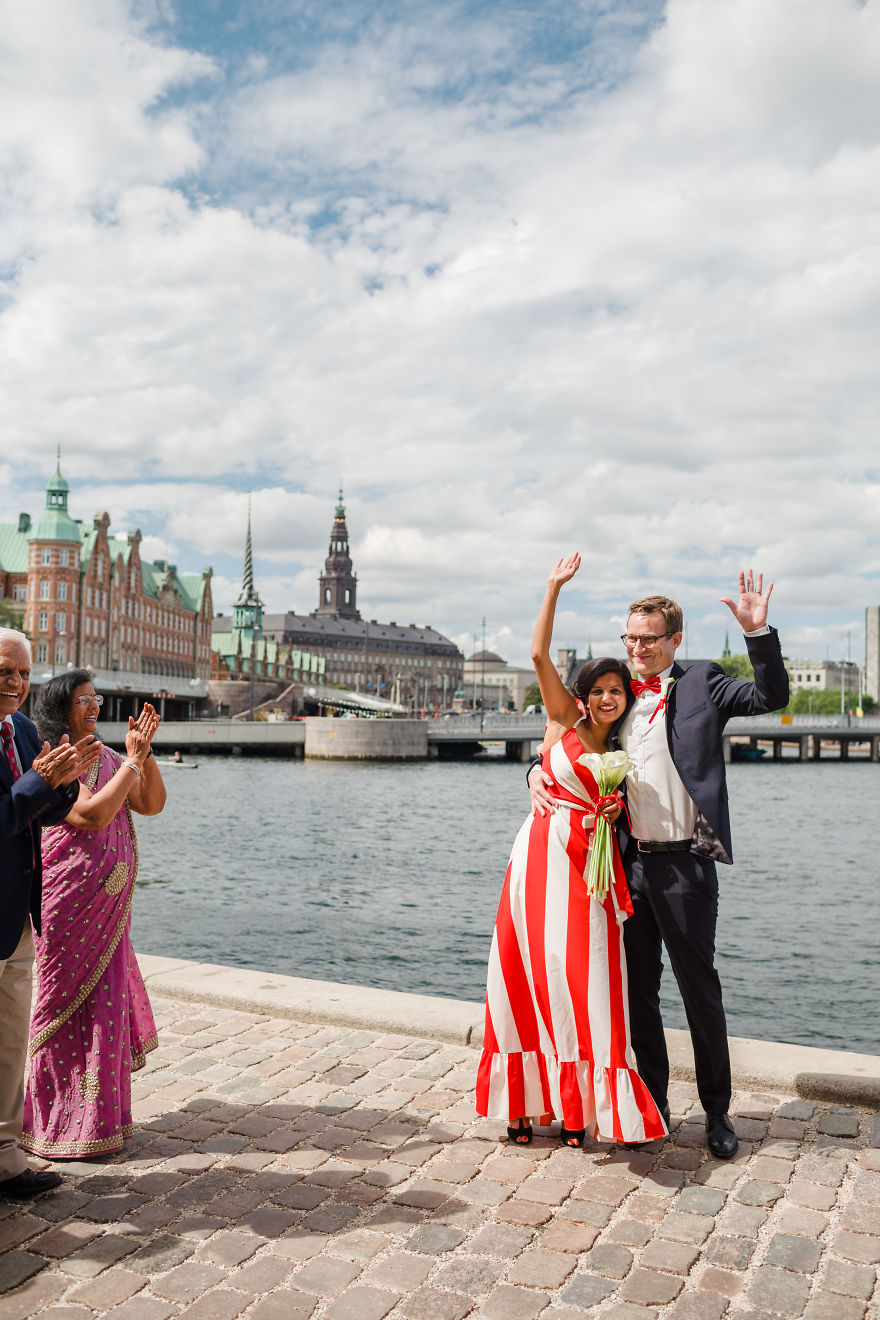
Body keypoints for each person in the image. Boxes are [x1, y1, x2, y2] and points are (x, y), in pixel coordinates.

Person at [529, 570, 789, 1158]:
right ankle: (652, 1104)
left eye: (648, 638)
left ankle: (717, 1112)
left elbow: (771, 697)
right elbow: (562, 740)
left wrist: (758, 634)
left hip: (687, 866)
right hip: (629, 867)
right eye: (630, 638)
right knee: (637, 991)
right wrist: (532, 774)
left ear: (675, 639)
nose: (638, 648)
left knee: (700, 990)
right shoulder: (615, 693)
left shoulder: (703, 683)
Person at [476, 555, 667, 1149]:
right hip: (538, 856)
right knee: (523, 970)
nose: (609, 698)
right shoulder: (563, 721)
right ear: (584, 695)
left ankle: (579, 1107)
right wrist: (553, 588)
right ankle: (522, 1106)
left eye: (617, 691)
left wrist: (614, 811)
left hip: (587, 869)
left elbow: (636, 803)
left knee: (579, 980)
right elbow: (538, 655)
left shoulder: (622, 749)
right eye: (599, 690)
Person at [21, 672, 167, 1160]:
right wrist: (133, 762)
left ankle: (99, 1123)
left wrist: (142, 754)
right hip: (68, 902)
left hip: (110, 909)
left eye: (96, 698)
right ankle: (50, 1124)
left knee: (105, 1009)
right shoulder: (55, 759)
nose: (93, 707)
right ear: (60, 708)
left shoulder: (108, 758)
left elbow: (151, 804)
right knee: (60, 1007)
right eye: (83, 699)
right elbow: (90, 816)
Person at [0, 630, 101, 1198]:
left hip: (18, 916)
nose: (15, 683)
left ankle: (6, 1160)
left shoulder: (22, 729)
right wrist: (40, 781)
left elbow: (43, 813)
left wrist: (63, 783)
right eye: (4, 671)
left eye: (22, 673)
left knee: (11, 1042)